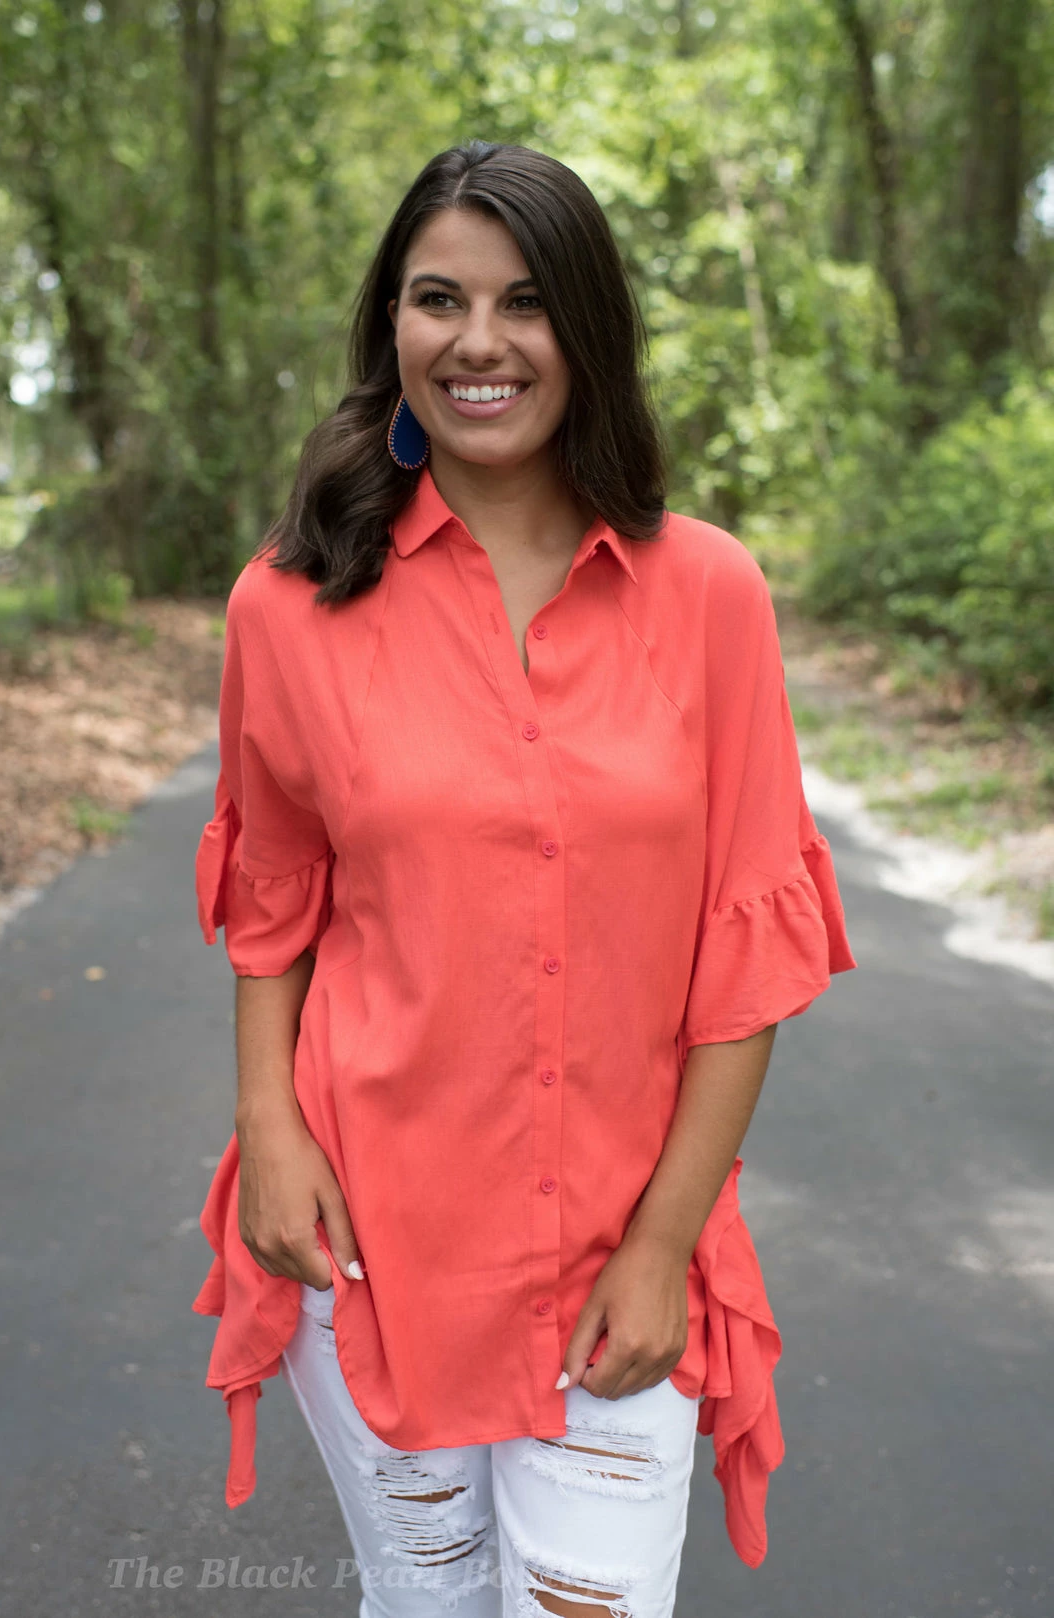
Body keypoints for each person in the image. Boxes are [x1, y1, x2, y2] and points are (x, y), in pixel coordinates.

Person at [191, 139, 857, 1618]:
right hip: (371, 1238)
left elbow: (746, 951)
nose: (478, 342)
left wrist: (666, 1243)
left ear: (589, 329)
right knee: (422, 1601)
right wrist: (268, 1128)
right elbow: (275, 892)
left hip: (620, 1247)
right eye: (439, 299)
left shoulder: (710, 596)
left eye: (527, 302)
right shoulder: (289, 602)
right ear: (392, 324)